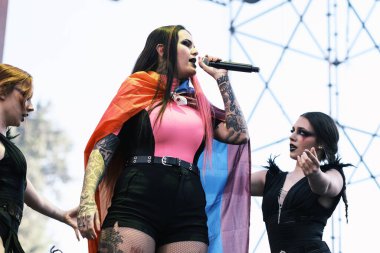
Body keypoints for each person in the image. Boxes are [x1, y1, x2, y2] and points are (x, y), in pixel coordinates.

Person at [77, 24, 250, 253]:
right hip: (139, 194)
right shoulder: (137, 88)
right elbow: (104, 146)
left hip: (188, 204)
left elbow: (239, 134)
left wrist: (222, 79)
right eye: (187, 44)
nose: (195, 51)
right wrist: (87, 199)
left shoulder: (197, 104)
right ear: (162, 49)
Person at [0, 63, 80, 253]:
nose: (31, 106)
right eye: (25, 96)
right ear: (2, 90)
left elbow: (25, 188)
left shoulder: (6, 148)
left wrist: (63, 214)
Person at [251, 111, 351, 253]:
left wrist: (315, 174)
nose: (292, 137)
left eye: (302, 132)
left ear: (321, 142)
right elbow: (230, 180)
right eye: (293, 131)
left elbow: (327, 185)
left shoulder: (333, 174)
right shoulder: (271, 179)